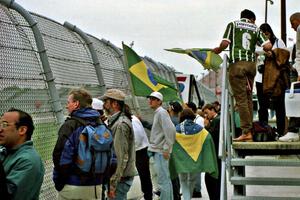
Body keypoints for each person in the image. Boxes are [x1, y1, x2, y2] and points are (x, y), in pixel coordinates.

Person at [213, 9, 272, 142]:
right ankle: (249, 129)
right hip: (251, 66)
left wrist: (218, 50)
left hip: (238, 65)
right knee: (248, 98)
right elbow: (268, 45)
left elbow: (225, 43)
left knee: (240, 99)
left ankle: (246, 131)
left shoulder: (233, 25)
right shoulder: (255, 28)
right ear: (251, 19)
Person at [52, 89, 104, 199]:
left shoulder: (70, 125)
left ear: (76, 104)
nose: (67, 106)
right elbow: (112, 159)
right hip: (96, 187)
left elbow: (60, 157)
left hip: (73, 185)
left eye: (68, 102)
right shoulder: (101, 125)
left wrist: (59, 182)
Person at [0, 108, 45, 200]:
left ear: (22, 130)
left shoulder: (28, 160)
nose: (0, 129)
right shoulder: (5, 150)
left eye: (4, 124)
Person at [101, 89, 136, 199]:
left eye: (106, 101)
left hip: (120, 180)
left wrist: (113, 184)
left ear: (115, 104)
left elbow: (121, 156)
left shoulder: (120, 124)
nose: (104, 105)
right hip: (121, 178)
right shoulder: (117, 121)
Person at [255, 23, 287, 137]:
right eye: (263, 34)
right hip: (261, 78)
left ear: (270, 32)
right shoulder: (256, 44)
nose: (265, 37)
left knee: (279, 106)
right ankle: (265, 131)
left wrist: (272, 54)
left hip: (276, 78)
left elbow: (284, 57)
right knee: (262, 106)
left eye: (267, 34)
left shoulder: (279, 42)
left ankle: (281, 131)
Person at [147, 91, 176, 200]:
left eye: (153, 99)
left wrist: (166, 148)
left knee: (163, 180)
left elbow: (171, 131)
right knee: (164, 179)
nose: (150, 101)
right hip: (158, 150)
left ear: (160, 101)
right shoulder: (159, 112)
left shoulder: (161, 113)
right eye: (150, 98)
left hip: (160, 151)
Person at [279, 12, 300, 142]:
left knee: (294, 99)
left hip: (298, 70)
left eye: (292, 23)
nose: (292, 27)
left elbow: (299, 54)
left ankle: (293, 131)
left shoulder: (299, 29)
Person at [176, 108, 201, 200]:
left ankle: (186, 198)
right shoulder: (199, 128)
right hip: (195, 157)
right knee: (192, 179)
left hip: (182, 158)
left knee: (183, 180)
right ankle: (188, 198)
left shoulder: (178, 127)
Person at [131, 114, 153, 200]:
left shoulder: (130, 119)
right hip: (143, 148)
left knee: (144, 176)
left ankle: (147, 196)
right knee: (145, 175)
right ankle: (148, 196)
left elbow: (137, 137)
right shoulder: (134, 118)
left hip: (138, 150)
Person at [202, 104, 221, 200]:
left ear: (212, 110)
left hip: (215, 153)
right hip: (216, 153)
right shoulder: (216, 120)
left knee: (211, 179)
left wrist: (206, 127)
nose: (206, 115)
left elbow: (210, 137)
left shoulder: (217, 120)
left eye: (206, 112)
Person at [185, 101, 204, 197]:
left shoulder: (199, 119)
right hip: (191, 147)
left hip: (196, 147)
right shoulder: (190, 119)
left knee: (196, 170)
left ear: (191, 109)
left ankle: (197, 190)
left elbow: (198, 132)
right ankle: (193, 189)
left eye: (186, 108)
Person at [168, 101, 183, 200]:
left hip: (171, 150)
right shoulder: (180, 120)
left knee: (172, 174)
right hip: (178, 150)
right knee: (176, 175)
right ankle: (177, 193)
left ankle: (175, 195)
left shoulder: (171, 121)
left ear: (172, 109)